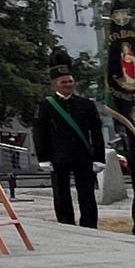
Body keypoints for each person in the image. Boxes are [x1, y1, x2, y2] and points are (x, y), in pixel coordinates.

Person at [32, 60, 103, 230]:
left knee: (87, 192)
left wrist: (99, 157)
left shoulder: (86, 104)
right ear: (55, 84)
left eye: (70, 81)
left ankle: (89, 224)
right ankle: (66, 224)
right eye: (64, 82)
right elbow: (39, 132)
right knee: (61, 192)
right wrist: (43, 157)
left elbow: (96, 132)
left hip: (82, 155)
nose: (68, 85)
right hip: (58, 155)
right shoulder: (46, 105)